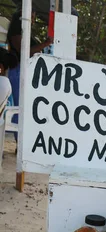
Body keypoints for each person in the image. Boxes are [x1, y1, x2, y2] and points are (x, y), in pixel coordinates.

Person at [7, 10, 53, 139]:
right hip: (18, 70)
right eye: (31, 16)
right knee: (20, 107)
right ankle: (19, 140)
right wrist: (45, 44)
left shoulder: (26, 33)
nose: (33, 19)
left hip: (25, 71)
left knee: (27, 107)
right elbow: (23, 51)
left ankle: (23, 140)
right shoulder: (16, 32)